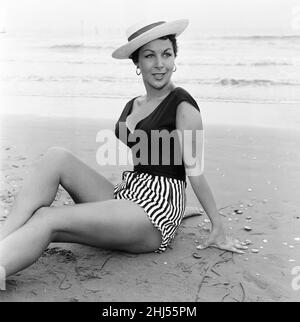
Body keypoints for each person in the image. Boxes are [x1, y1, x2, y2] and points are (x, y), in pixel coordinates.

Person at [0, 19, 247, 280]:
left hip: (154, 210)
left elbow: (194, 173)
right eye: (149, 56)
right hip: (128, 194)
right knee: (56, 156)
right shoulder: (133, 104)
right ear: (137, 63)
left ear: (175, 58)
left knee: (47, 218)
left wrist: (216, 226)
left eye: (167, 54)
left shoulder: (183, 107)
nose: (160, 64)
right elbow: (153, 157)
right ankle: (5, 236)